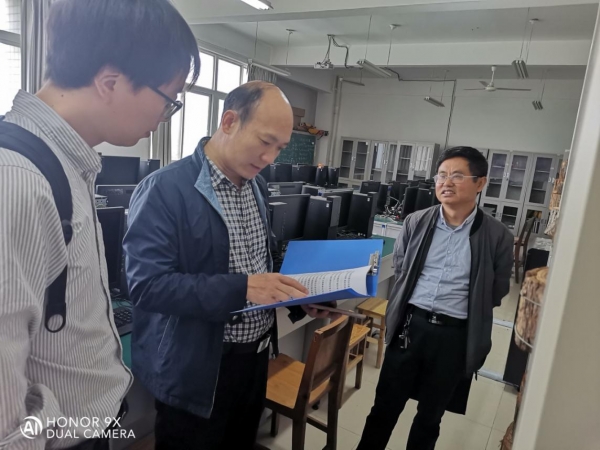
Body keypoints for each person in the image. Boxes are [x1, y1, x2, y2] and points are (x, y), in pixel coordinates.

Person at [0, 1, 200, 449]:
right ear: (110, 82)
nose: (166, 114)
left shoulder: (66, 164)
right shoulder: (16, 180)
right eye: (169, 99)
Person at [123, 81, 335, 450]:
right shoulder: (164, 189)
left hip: (254, 362)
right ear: (229, 121)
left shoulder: (256, 186)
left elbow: (259, 261)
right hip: (197, 369)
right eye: (265, 141)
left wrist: (299, 297)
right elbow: (147, 286)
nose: (270, 157)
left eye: (280, 148)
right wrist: (243, 287)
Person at [357, 147, 514, 450]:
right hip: (410, 328)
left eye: (457, 176)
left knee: (430, 417)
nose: (446, 182)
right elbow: (402, 268)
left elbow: (496, 290)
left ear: (480, 183)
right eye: (442, 175)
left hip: (455, 337)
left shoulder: (497, 236)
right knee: (384, 408)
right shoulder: (416, 222)